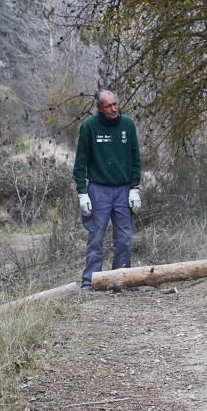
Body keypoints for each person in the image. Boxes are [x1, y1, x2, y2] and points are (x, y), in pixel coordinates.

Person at [73, 88, 142, 290]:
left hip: (123, 189)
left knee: (125, 239)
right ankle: (89, 282)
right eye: (108, 106)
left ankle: (120, 280)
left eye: (115, 104)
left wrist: (134, 188)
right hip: (98, 190)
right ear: (99, 108)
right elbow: (80, 163)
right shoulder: (89, 127)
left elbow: (136, 158)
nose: (114, 109)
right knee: (95, 238)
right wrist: (82, 193)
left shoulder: (127, 125)